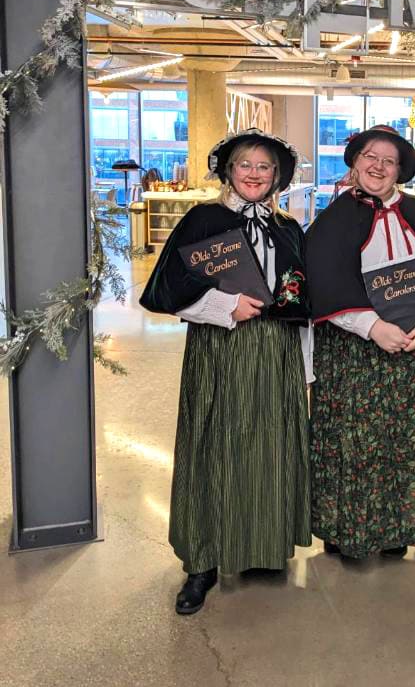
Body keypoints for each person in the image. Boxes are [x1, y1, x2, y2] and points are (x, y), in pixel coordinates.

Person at [140, 129, 313, 614]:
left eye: (264, 167)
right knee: (213, 444)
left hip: (274, 352)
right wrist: (224, 305)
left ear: (276, 176)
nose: (255, 174)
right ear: (229, 171)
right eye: (245, 165)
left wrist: (304, 361)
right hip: (220, 347)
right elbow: (167, 288)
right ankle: (203, 562)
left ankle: (258, 544)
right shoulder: (203, 220)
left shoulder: (287, 227)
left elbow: (301, 294)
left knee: (268, 443)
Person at [306, 125, 415, 559]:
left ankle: (400, 526)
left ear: (399, 170)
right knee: (354, 443)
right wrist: (372, 326)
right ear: (355, 162)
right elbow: (324, 279)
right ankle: (348, 530)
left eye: (388, 161)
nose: (378, 166)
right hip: (355, 353)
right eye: (369, 157)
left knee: (411, 442)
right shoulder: (335, 217)